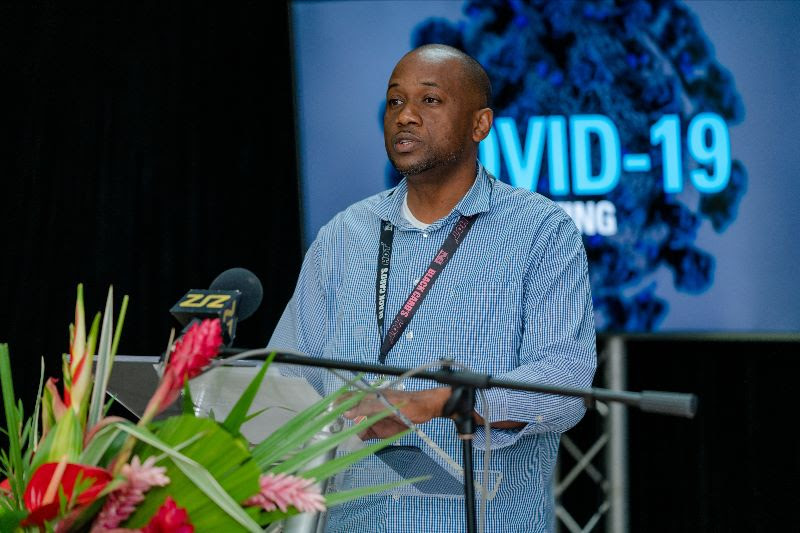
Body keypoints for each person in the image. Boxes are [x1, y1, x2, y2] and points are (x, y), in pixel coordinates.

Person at [269, 44, 596, 533]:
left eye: (430, 100)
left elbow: (563, 384)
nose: (405, 116)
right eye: (395, 101)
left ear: (480, 124)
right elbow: (288, 376)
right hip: (351, 522)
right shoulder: (343, 235)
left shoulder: (540, 231)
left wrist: (436, 402)